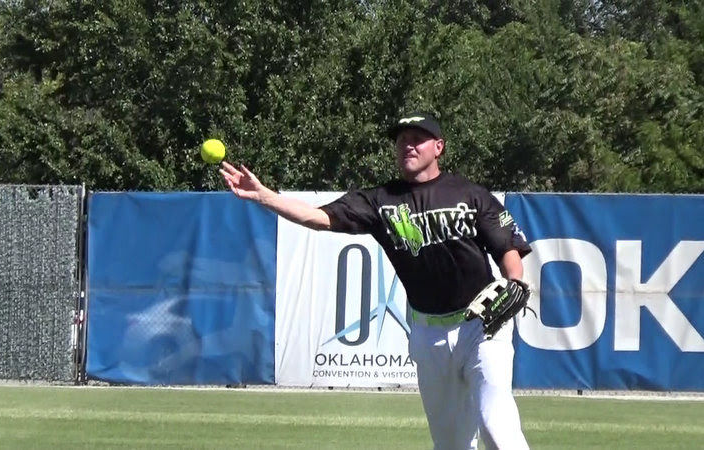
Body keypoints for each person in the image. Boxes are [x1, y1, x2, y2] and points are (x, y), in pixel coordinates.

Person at [220, 111, 531, 450]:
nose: (408, 145)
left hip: (483, 326)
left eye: (417, 139)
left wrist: (515, 283)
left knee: (497, 427)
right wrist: (265, 196)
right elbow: (317, 217)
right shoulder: (380, 200)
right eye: (402, 140)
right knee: (451, 445)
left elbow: (507, 247)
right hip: (429, 333)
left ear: (439, 147)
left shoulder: (470, 194)